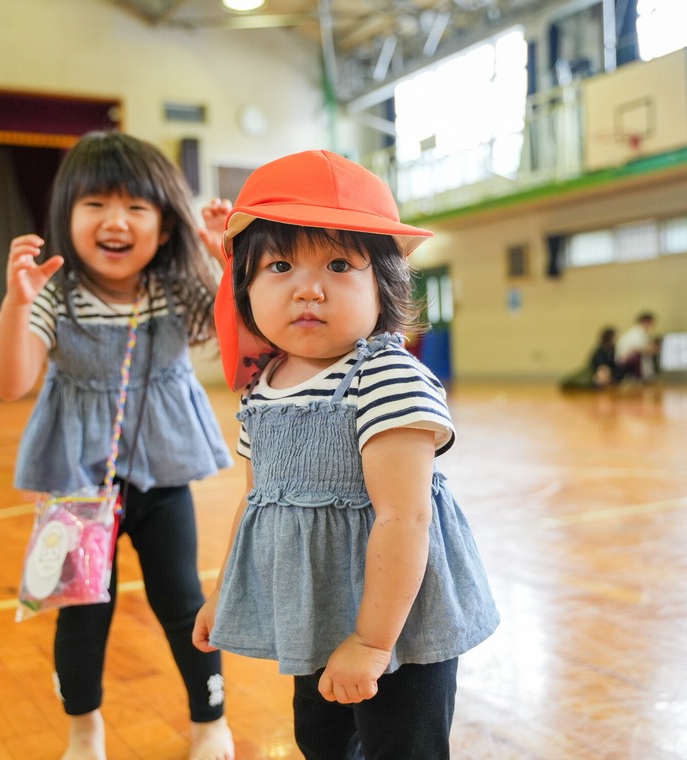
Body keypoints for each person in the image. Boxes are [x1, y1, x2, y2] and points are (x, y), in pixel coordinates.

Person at [192, 149, 500, 759]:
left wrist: (372, 641)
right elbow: (255, 502)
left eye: (338, 263)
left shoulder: (386, 377)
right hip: (316, 614)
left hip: (399, 626)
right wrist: (223, 591)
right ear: (247, 289)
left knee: (400, 749)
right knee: (321, 742)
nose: (310, 287)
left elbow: (404, 518)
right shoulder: (265, 387)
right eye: (280, 265)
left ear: (382, 287)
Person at [0, 131, 235, 760]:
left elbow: (245, 336)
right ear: (67, 215)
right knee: (81, 610)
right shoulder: (54, 295)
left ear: (164, 223)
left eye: (136, 207)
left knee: (181, 600)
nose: (116, 221)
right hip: (78, 479)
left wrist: (227, 261)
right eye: (95, 203)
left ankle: (211, 722)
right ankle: (84, 731)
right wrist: (16, 305)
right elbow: (9, 382)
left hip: (162, 475)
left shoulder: (177, 289)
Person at [616, 310, 659, 381]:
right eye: (651, 323)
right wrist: (652, 349)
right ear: (645, 322)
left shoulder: (641, 333)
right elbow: (637, 348)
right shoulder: (635, 333)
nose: (652, 327)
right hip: (628, 366)